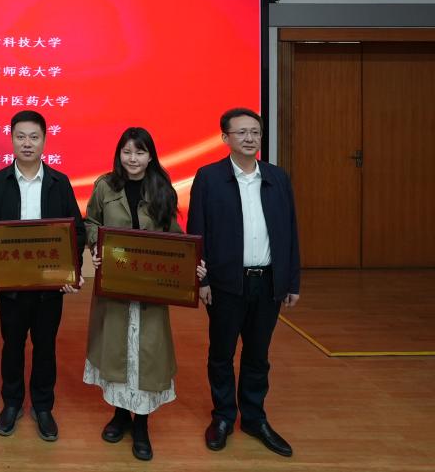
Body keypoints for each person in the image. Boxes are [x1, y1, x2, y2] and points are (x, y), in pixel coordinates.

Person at [84, 127, 206, 461]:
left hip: (150, 287)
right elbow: (90, 222)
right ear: (118, 154)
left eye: (139, 152)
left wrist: (190, 265)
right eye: (127, 152)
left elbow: (175, 235)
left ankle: (141, 424)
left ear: (150, 155)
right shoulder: (104, 186)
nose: (133, 158)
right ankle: (120, 416)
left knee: (146, 354)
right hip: (115, 284)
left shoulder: (162, 189)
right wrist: (96, 246)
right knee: (116, 350)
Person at [188, 107, 301, 458]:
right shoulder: (209, 177)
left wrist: (292, 280)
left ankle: (253, 418)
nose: (250, 138)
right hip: (225, 284)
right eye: (241, 132)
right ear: (225, 138)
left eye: (255, 132)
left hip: (267, 283)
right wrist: (201, 280)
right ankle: (223, 416)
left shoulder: (277, 177)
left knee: (257, 355)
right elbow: (197, 231)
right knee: (221, 354)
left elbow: (290, 231)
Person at [0, 110, 86, 442]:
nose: (27, 143)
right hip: (10, 285)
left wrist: (72, 272)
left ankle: (43, 406)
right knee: (12, 345)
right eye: (20, 136)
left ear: (44, 141)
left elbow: (76, 232)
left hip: (49, 286)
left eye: (34, 137)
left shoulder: (59, 183)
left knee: (45, 346)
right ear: (11, 139)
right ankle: (11, 403)